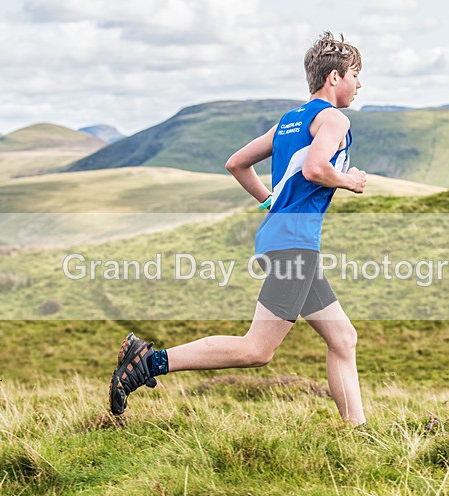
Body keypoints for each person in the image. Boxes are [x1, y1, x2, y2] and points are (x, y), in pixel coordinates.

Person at [109, 31, 367, 426]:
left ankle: (357, 432)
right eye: (355, 75)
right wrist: (349, 180)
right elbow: (316, 168)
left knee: (343, 338)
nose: (359, 84)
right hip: (294, 244)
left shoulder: (288, 121)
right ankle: (149, 362)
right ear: (334, 77)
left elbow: (236, 163)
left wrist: (269, 201)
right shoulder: (332, 118)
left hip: (281, 239)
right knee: (257, 349)